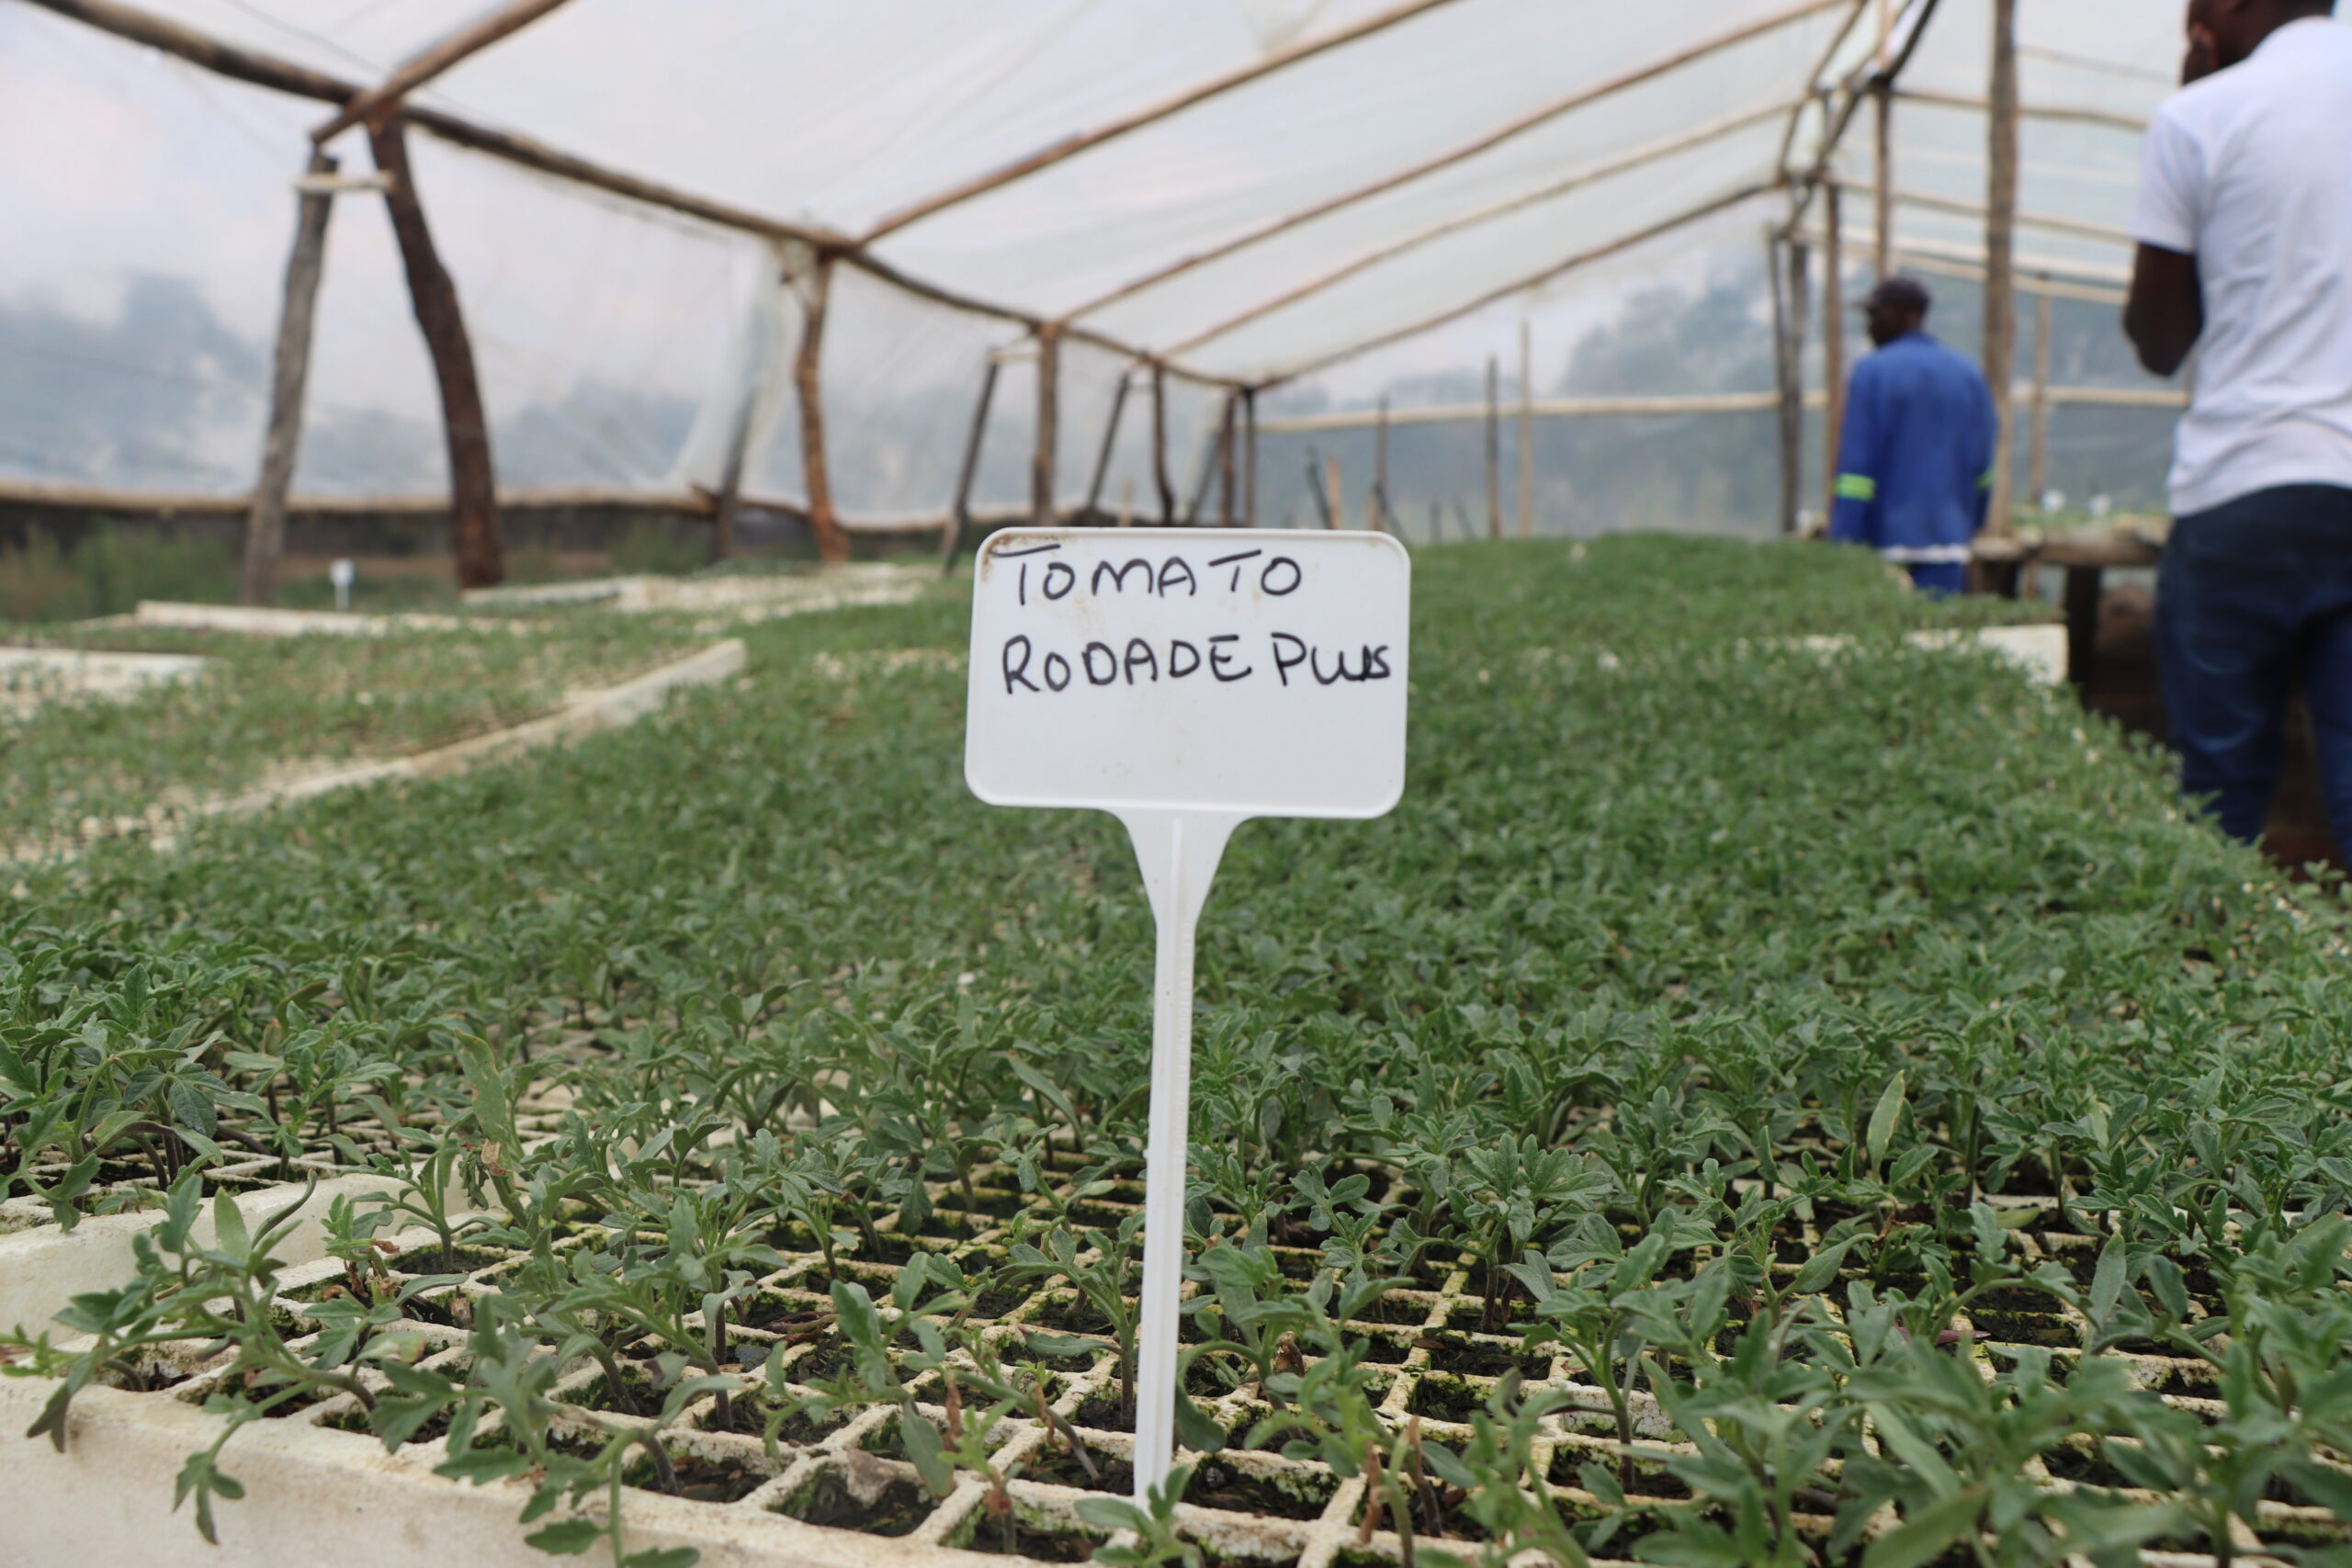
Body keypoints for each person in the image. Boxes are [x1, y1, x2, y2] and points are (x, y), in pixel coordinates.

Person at [2126, 0, 2352, 847]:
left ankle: (2213, 969)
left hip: (2245, 490)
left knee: (2220, 801)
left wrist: (2200, 83)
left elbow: (2159, 340)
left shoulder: (2200, 115)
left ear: (2221, 11)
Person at [1828, 276, 1999, 594]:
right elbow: (1983, 465)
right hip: (1948, 545)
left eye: (1876, 315)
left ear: (1907, 315)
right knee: (1938, 636)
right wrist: (1970, 522)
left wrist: (1843, 545)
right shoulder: (1968, 374)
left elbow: (1856, 471)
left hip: (1883, 548)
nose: (1870, 326)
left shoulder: (1871, 372)